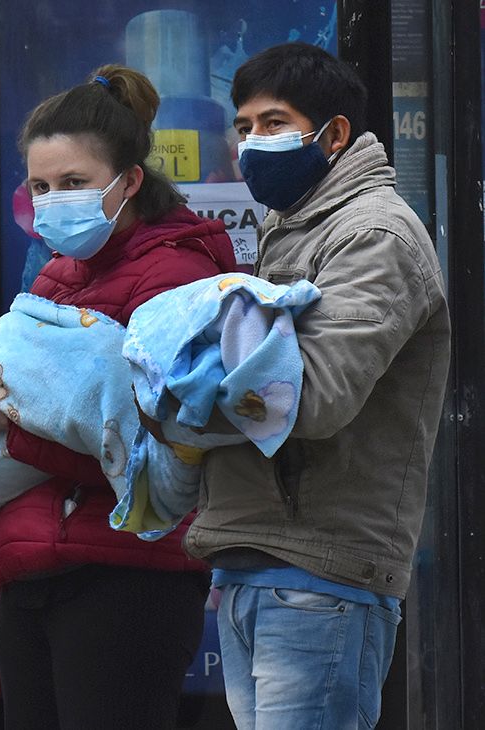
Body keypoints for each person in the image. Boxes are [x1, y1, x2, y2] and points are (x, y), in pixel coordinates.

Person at [0, 65, 238, 729]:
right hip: (27, 572)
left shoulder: (179, 277)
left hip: (126, 578)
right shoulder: (54, 278)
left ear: (130, 181)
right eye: (41, 187)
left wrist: (12, 422)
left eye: (75, 184)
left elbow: (165, 458)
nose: (55, 201)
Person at [189, 43, 450, 729]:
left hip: (319, 573)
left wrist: (183, 383)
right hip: (260, 564)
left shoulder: (374, 233)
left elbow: (312, 395)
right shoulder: (294, 227)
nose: (251, 143)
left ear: (334, 134)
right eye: (242, 127)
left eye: (273, 123)